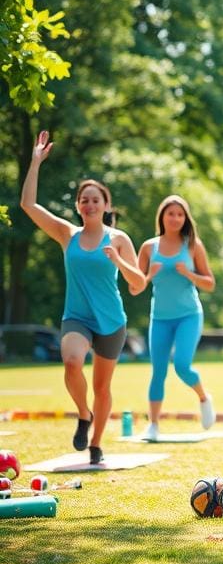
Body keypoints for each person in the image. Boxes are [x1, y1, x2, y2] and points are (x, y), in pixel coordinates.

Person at [19, 131, 146, 463]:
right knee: (72, 361)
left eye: (96, 199)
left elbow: (138, 283)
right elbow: (28, 205)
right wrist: (35, 162)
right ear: (78, 206)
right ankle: (83, 413)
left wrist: (118, 260)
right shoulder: (66, 235)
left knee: (103, 387)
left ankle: (97, 442)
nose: (90, 204)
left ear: (105, 205)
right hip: (77, 317)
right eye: (84, 199)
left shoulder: (118, 239)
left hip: (111, 322)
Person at [136, 195, 216, 441]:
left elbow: (210, 283)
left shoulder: (192, 245)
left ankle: (203, 397)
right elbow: (135, 287)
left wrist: (189, 274)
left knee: (182, 365)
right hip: (160, 318)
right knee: (158, 371)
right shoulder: (149, 247)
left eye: (180, 214)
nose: (175, 218)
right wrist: (148, 275)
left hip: (188, 316)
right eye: (170, 214)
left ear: (185, 219)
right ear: (162, 216)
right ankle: (153, 425)